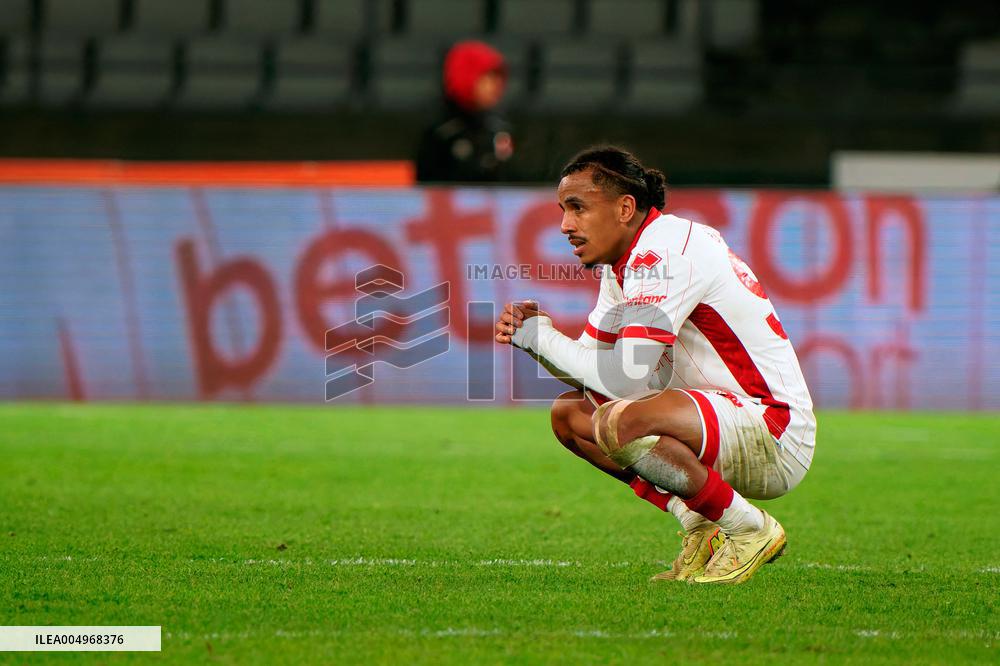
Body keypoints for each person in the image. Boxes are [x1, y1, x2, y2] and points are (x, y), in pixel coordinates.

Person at [494, 146, 816, 585]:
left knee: (618, 420)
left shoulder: (664, 254)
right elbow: (590, 372)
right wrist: (536, 338)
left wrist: (540, 336)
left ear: (625, 208)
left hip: (772, 428)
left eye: (578, 208)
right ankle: (701, 522)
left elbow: (622, 377)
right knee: (572, 416)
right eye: (562, 210)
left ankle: (748, 530)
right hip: (718, 420)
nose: (565, 225)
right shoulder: (622, 266)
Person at [416, 40, 514, 183]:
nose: (496, 87)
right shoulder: (440, 130)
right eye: (487, 78)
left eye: (498, 79)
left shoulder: (499, 127)